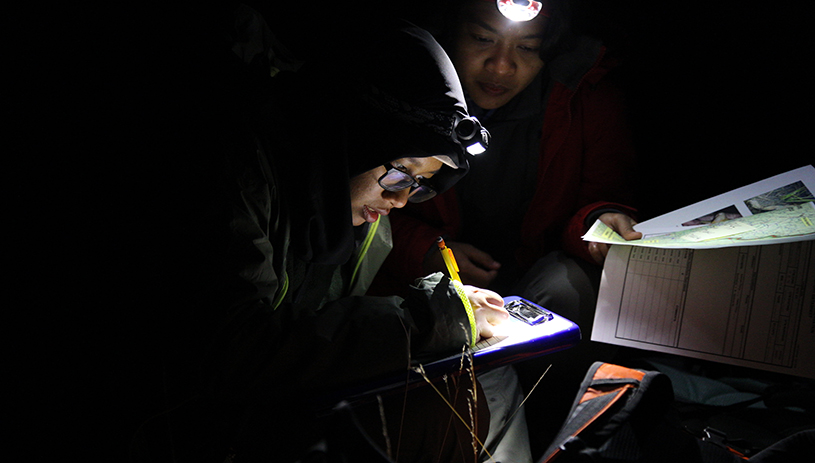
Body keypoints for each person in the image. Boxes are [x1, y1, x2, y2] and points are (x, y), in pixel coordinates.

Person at [119, 4, 511, 462]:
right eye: (401, 173)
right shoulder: (236, 175)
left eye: (420, 184)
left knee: (459, 393)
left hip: (278, 413)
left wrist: (445, 308)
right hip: (183, 432)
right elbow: (237, 354)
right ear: (352, 136)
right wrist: (432, 319)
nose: (401, 200)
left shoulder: (358, 219)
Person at [369, 0, 643, 457]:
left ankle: (557, 437)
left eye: (527, 48)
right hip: (435, 272)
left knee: (568, 292)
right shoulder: (407, 95)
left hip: (533, 271)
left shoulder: (582, 98)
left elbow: (600, 195)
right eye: (482, 40)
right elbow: (374, 203)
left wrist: (600, 223)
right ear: (449, 34)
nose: (501, 65)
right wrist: (431, 251)